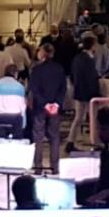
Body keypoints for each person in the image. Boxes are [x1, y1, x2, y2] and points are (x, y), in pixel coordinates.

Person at [27, 43, 66, 172]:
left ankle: (38, 166)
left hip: (40, 107)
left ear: (42, 53)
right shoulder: (59, 68)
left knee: (38, 137)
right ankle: (55, 167)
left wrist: (45, 103)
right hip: (55, 108)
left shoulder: (36, 70)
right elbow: (63, 88)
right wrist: (56, 103)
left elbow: (34, 89)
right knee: (54, 137)